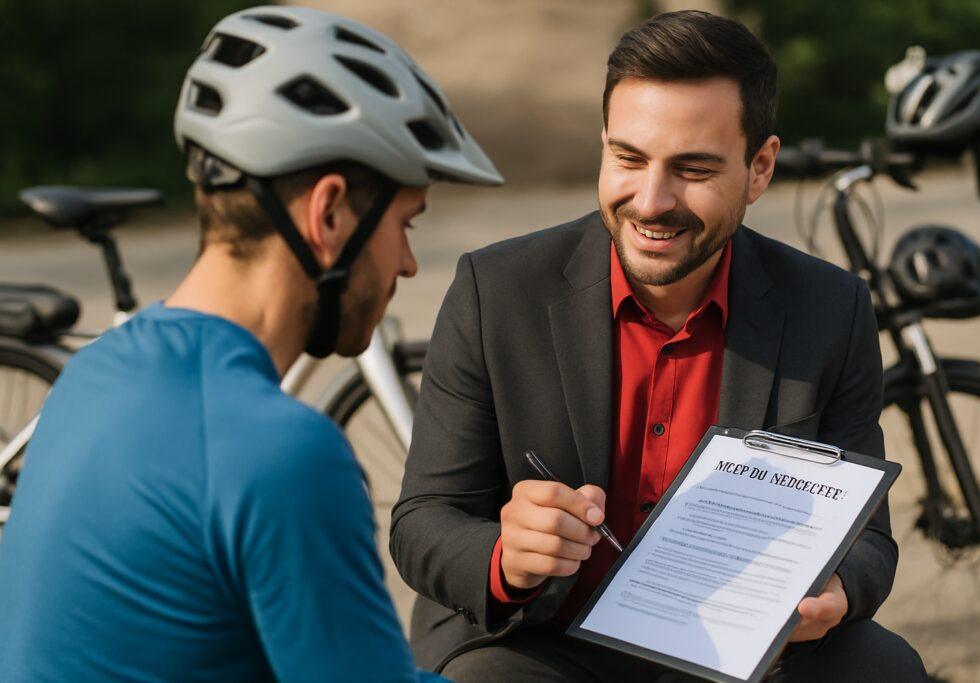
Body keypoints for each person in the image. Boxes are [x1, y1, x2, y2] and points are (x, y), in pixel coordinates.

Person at [391, 10, 926, 682]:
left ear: (759, 168)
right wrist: (507, 558)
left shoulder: (830, 309)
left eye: (692, 169)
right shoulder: (494, 290)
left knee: (883, 667)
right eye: (629, 158)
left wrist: (837, 592)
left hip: (737, 650)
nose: (650, 201)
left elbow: (868, 537)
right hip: (536, 639)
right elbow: (423, 520)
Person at [0, 6, 501, 682]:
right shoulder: (281, 452)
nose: (408, 265)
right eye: (405, 225)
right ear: (329, 213)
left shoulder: (92, 373)